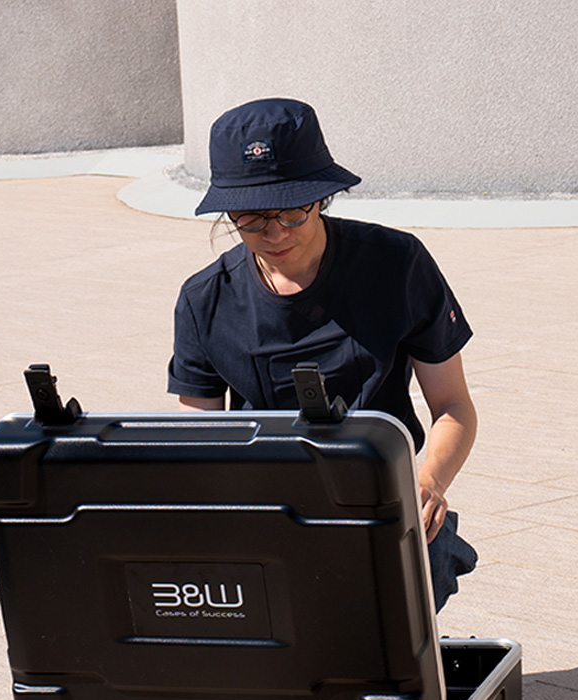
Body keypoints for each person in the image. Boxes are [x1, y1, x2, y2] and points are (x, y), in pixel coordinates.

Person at [167, 98, 478, 610]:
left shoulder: (397, 265)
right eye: (250, 218)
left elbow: (454, 407)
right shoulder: (206, 300)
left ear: (324, 197)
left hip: (382, 498)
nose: (275, 233)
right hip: (261, 506)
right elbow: (197, 440)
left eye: (293, 210)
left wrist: (428, 482)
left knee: (403, 594)